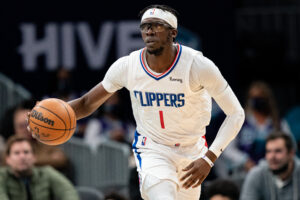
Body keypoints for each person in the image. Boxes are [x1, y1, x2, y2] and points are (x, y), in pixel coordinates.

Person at [27, 4, 245, 200]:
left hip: (193, 149)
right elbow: (85, 103)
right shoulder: (128, 66)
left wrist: (209, 158)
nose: (149, 30)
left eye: (157, 25)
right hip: (153, 148)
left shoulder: (198, 66)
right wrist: (43, 117)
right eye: (145, 26)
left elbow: (236, 114)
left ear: (173, 33)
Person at [220, 81, 292, 178]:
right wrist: (244, 161)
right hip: (245, 173)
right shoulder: (240, 121)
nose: (258, 101)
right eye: (254, 98)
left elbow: (290, 146)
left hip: (273, 173)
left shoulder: (278, 123)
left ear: (268, 99)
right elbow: (228, 149)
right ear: (249, 100)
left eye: (261, 98)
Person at [0, 135, 79, 200]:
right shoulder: (2, 176)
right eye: (17, 153)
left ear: (34, 157)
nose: (22, 157)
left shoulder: (46, 173)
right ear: (8, 159)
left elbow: (68, 191)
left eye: (26, 152)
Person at [240, 131, 300, 200]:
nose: (272, 157)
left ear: (291, 153)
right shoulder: (256, 174)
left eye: (278, 151)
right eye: (268, 151)